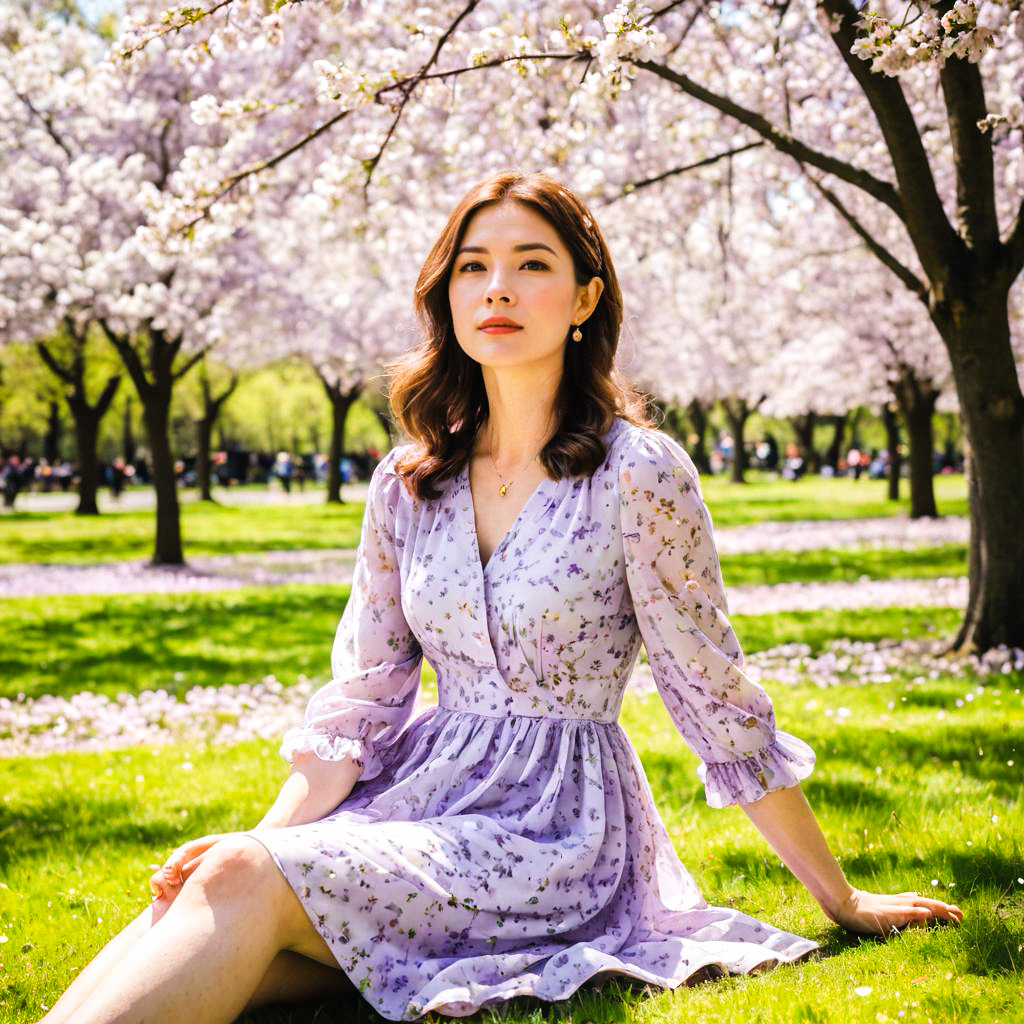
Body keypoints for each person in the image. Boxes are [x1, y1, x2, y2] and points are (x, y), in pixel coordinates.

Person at [39, 172, 961, 1024]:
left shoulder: (639, 473)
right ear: (446, 295)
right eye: (473, 267)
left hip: (558, 830)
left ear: (586, 298)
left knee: (238, 882)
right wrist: (259, 837)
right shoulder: (410, 480)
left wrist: (839, 898)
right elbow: (361, 706)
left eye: (532, 265)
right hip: (420, 798)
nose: (498, 290)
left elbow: (711, 695)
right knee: (218, 891)